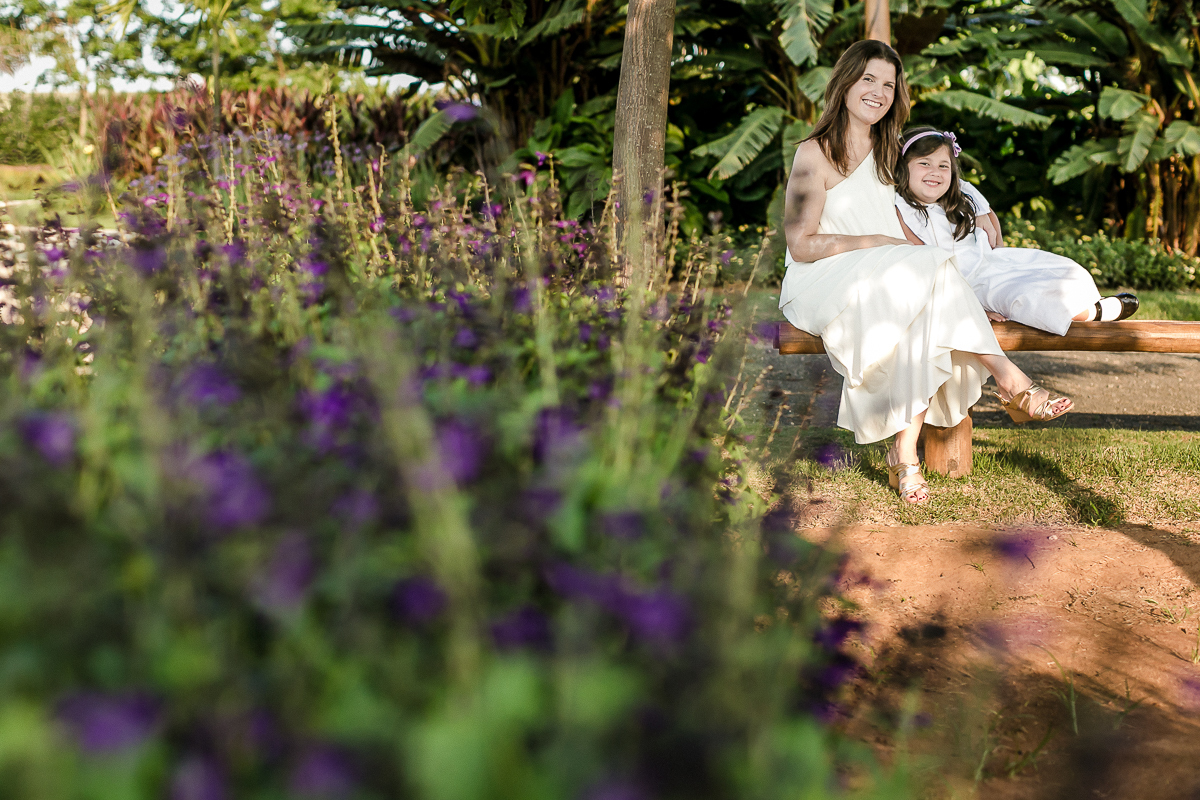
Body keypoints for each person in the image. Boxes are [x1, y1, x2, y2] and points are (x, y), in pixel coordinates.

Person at [778, 40, 1073, 505]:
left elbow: (932, 189)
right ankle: (1010, 380)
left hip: (886, 271)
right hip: (823, 277)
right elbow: (800, 243)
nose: (878, 91)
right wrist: (871, 243)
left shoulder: (890, 149)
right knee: (916, 286)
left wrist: (976, 209)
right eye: (868, 79)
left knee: (922, 303)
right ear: (845, 82)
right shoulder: (814, 154)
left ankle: (905, 455)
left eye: (888, 84)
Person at [894, 126, 1139, 335]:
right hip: (967, 284)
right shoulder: (901, 207)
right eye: (924, 163)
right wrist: (969, 306)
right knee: (1033, 299)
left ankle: (1091, 301)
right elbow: (924, 257)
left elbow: (986, 215)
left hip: (993, 263)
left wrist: (998, 250)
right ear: (904, 168)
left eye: (943, 166)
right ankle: (1098, 311)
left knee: (1061, 271)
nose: (935, 172)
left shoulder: (961, 196)